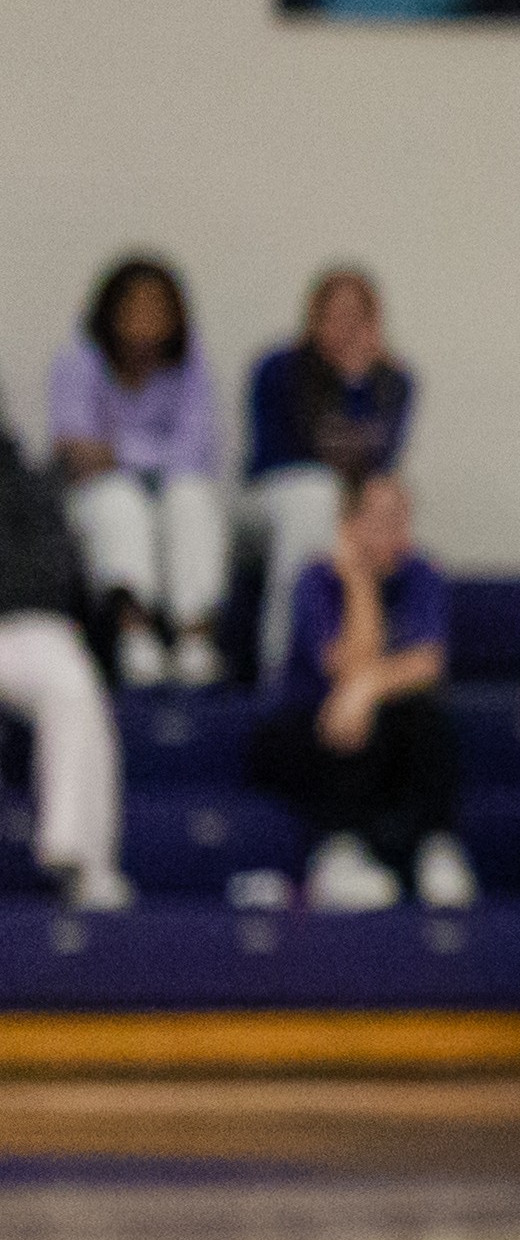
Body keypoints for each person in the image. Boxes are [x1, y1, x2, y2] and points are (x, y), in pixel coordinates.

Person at [245, 468, 465, 912]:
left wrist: (364, 690)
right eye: (381, 518)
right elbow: (344, 664)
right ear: (349, 524)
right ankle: (338, 854)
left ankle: (435, 849)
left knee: (426, 719)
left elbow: (428, 663)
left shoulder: (422, 574)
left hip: (381, 727)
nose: (395, 532)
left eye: (402, 519)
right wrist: (359, 579)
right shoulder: (316, 579)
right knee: (351, 722)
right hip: (306, 730)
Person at [48, 253, 233, 688]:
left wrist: (119, 452)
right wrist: (143, 457)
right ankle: (136, 632)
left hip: (168, 493)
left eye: (158, 309)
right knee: (120, 500)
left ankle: (193, 635)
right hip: (96, 497)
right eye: (134, 307)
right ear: (110, 310)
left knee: (191, 497)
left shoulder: (189, 365)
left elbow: (196, 449)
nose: (146, 320)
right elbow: (77, 451)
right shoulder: (79, 360)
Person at [0, 436, 129, 909]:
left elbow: (64, 578)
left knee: (76, 683)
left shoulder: (29, 483)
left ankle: (79, 856)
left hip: (28, 628)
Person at [241, 265, 418, 603]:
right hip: (276, 494)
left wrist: (358, 385)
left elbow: (381, 460)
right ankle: (289, 646)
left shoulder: (392, 382)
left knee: (384, 507)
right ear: (314, 318)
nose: (347, 328)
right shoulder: (279, 370)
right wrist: (343, 387)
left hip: (350, 499)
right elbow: (286, 453)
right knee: (314, 493)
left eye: (357, 317)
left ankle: (370, 645)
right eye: (336, 315)